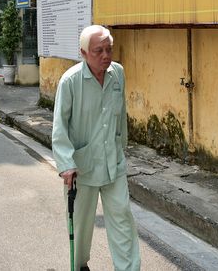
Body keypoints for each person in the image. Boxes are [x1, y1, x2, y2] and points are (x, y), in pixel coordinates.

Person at [52, 25, 141, 271]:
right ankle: (80, 265)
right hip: (82, 167)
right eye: (98, 51)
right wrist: (66, 164)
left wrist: (121, 146)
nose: (105, 56)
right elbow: (60, 126)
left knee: (123, 219)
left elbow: (120, 113)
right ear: (83, 53)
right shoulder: (70, 81)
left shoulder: (118, 73)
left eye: (108, 49)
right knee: (80, 225)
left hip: (114, 162)